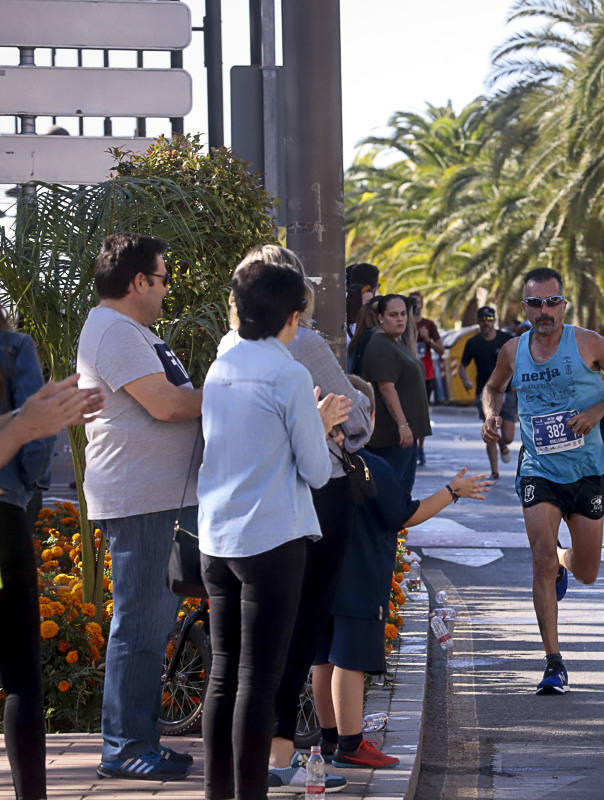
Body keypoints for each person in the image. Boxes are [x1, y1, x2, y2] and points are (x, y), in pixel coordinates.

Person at [215, 245, 373, 792]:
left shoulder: (223, 353)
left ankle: (233, 779)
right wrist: (327, 415)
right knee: (291, 639)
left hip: (224, 526)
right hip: (292, 514)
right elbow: (327, 447)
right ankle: (277, 758)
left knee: (229, 668)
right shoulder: (294, 354)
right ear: (293, 306)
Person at [311, 376, 490, 769]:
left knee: (321, 658)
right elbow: (407, 514)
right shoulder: (369, 467)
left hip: (317, 577)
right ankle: (351, 744)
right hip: (358, 579)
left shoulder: (310, 465)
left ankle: (326, 741)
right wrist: (453, 489)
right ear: (368, 418)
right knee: (348, 659)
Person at [76, 233, 203, 782]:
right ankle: (124, 745)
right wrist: (234, 389)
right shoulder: (113, 330)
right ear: (138, 282)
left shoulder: (133, 332)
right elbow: (169, 404)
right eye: (163, 277)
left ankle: (140, 738)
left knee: (152, 625)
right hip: (141, 501)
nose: (166, 288)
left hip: (158, 500)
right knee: (139, 625)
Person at [481, 267, 604, 695]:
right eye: (535, 303)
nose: (544, 311)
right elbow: (493, 387)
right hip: (539, 469)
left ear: (564, 303)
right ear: (523, 307)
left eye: (552, 302)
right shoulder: (513, 350)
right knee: (540, 556)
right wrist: (491, 415)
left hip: (586, 471)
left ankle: (566, 562)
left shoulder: (588, 343)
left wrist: (597, 412)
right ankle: (553, 661)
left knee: (586, 571)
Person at [0, 344, 103, 800]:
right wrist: (25, 482)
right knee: (21, 675)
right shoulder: (12, 347)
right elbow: (35, 445)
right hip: (5, 520)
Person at [361, 294, 431, 500]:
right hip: (392, 436)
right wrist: (402, 424)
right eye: (393, 315)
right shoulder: (380, 344)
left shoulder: (396, 342)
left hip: (404, 436)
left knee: (401, 492)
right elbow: (386, 388)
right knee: (393, 495)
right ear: (381, 317)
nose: (400, 319)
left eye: (402, 314)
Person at [460, 306, 516, 479]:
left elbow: (519, 359)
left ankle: (503, 445)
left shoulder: (506, 339)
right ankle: (495, 471)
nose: (486, 323)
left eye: (489, 319)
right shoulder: (473, 343)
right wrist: (465, 381)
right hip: (484, 393)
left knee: (507, 436)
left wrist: (517, 379)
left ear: (494, 321)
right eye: (482, 319)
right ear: (478, 322)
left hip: (507, 391)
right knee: (490, 430)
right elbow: (462, 366)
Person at [410, 291, 443, 463]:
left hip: (426, 375)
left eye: (418, 302)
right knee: (409, 412)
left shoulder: (428, 325)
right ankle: (412, 447)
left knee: (422, 413)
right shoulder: (403, 323)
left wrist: (427, 339)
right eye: (412, 302)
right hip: (407, 375)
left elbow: (441, 350)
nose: (416, 305)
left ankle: (420, 447)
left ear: (422, 304)